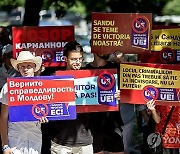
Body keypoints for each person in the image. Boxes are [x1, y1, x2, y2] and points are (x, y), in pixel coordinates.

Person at [0, 51, 48, 154]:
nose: (25, 69)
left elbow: (48, 111)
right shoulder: (8, 88)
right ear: (18, 68)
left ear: (34, 67)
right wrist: (5, 145)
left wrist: (46, 116)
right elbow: (3, 117)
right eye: (22, 66)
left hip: (35, 137)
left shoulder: (42, 87)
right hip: (15, 137)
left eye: (29, 66)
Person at [50, 41, 93, 154]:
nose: (78, 62)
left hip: (85, 141)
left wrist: (112, 96)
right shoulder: (54, 79)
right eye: (74, 59)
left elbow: (102, 101)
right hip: (61, 142)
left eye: (80, 59)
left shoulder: (90, 78)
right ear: (65, 59)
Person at [85, 52, 124, 154]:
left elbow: (133, 84)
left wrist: (122, 94)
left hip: (113, 122)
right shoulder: (84, 70)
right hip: (93, 125)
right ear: (93, 47)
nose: (106, 50)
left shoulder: (116, 67)